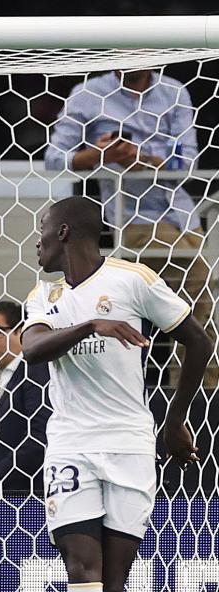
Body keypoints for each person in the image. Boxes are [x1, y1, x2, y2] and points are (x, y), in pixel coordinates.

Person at [21, 196, 211, 592]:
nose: (37, 242)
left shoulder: (133, 279)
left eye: (42, 229)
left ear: (64, 232)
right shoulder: (43, 296)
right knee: (80, 567)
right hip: (71, 444)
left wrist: (175, 419)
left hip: (129, 443)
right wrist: (91, 325)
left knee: (112, 583)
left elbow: (197, 341)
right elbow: (33, 349)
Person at [44, 67, 215, 386]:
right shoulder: (89, 93)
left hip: (182, 216)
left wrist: (142, 158)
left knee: (192, 306)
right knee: (187, 297)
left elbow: (188, 162)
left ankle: (194, 391)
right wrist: (99, 154)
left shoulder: (174, 91)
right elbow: (55, 159)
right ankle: (190, 387)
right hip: (131, 218)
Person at [0, 301, 51, 494]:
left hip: (29, 497)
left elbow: (40, 437)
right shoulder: (12, 377)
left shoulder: (34, 370)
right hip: (10, 495)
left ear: (21, 332)